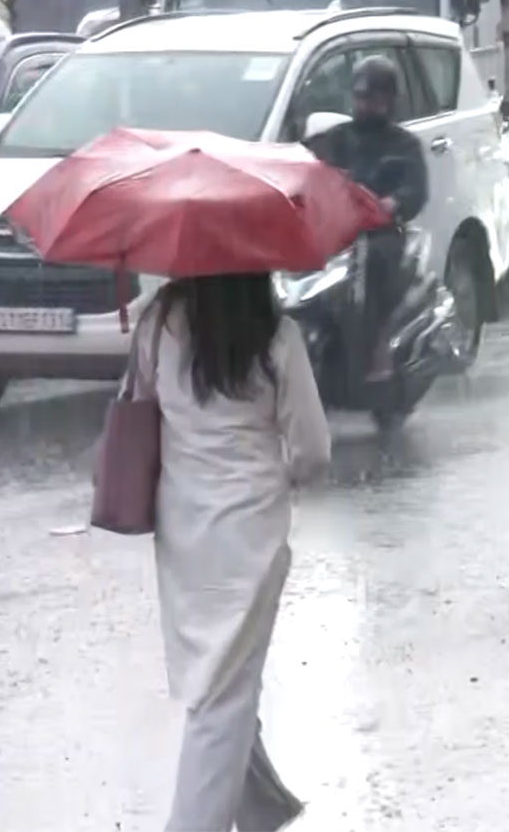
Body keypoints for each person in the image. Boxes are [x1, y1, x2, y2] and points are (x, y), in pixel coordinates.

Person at [136, 274, 331, 832]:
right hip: (251, 534)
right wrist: (288, 473)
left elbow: (143, 410)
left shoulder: (158, 326)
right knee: (222, 696)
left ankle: (261, 809)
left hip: (183, 534)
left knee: (218, 676)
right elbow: (313, 450)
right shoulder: (276, 338)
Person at [305, 54, 429, 379]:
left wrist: (393, 203)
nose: (364, 104)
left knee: (375, 260)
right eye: (359, 97)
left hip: (380, 233)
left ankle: (379, 344)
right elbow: (307, 168)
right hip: (336, 229)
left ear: (388, 100)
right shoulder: (337, 138)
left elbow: (416, 190)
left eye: (372, 98)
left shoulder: (405, 145)